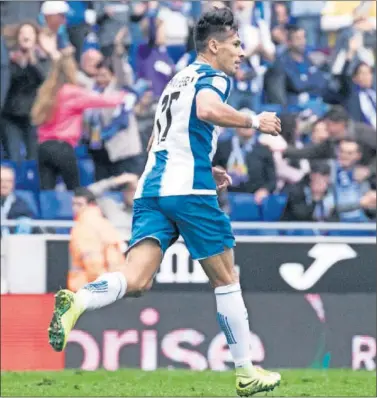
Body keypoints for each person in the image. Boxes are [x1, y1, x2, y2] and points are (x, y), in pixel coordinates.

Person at [48, 7, 282, 396]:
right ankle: (245, 371)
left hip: (152, 188)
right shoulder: (213, 77)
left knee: (137, 279)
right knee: (227, 278)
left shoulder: (178, 78)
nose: (241, 52)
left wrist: (210, 165)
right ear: (213, 45)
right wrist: (253, 120)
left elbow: (173, 136)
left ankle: (78, 301)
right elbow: (206, 110)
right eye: (236, 44)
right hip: (189, 190)